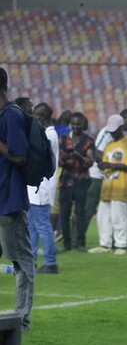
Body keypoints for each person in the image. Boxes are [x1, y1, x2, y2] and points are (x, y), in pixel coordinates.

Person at [0, 68, 35, 331]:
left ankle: (21, 319)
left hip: (9, 199)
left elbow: (20, 156)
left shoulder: (12, 115)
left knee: (21, 261)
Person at [89, 114, 127, 254]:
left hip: (120, 186)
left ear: (121, 127)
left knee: (119, 217)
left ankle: (121, 245)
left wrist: (111, 165)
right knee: (103, 217)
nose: (112, 132)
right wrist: (104, 165)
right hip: (107, 186)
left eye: (115, 130)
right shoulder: (109, 145)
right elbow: (105, 162)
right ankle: (105, 244)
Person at [27, 103, 59, 274]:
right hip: (36, 188)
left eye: (37, 117)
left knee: (43, 226)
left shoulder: (49, 135)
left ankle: (50, 262)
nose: (35, 119)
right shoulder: (47, 133)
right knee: (32, 226)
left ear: (45, 117)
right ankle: (31, 260)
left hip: (42, 187)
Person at [58, 112, 95, 251]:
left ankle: (80, 243)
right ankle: (67, 244)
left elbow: (90, 162)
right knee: (65, 213)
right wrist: (68, 158)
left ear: (83, 124)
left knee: (81, 213)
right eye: (73, 123)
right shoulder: (63, 139)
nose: (76, 126)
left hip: (81, 180)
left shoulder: (89, 141)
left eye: (78, 124)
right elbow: (60, 160)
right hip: (66, 180)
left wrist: (77, 155)